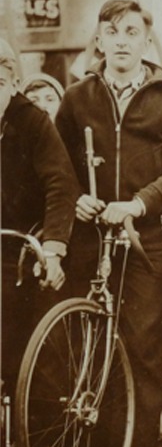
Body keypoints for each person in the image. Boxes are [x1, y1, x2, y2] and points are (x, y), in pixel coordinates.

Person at [55, 0, 162, 447]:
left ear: (145, 40)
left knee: (142, 346)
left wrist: (138, 204)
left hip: (147, 239)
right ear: (99, 40)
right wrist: (78, 196)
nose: (122, 41)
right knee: (88, 340)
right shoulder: (77, 97)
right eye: (112, 32)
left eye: (132, 32)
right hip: (91, 238)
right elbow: (57, 165)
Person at [0, 47, 78, 400]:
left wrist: (53, 249)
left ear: (14, 83)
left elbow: (60, 184)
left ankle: (48, 440)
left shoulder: (33, 121)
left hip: (29, 247)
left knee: (39, 355)